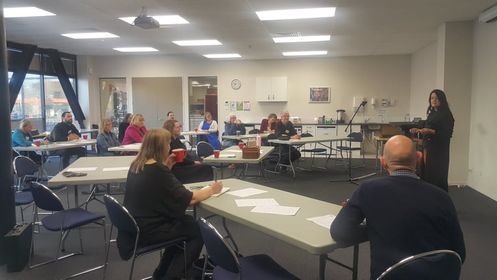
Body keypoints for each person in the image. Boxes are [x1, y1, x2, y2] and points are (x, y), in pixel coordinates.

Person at [330, 135, 465, 280]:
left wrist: (376, 224)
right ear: (419, 158)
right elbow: (459, 254)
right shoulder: (442, 197)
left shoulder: (368, 190)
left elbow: (339, 232)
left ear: (383, 162)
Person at [118, 128, 222, 280]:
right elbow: (191, 199)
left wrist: (167, 167)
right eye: (168, 143)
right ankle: (172, 276)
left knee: (186, 223)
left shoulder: (137, 165)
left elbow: (155, 187)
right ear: (161, 147)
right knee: (197, 230)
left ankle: (161, 274)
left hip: (133, 227)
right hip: (148, 230)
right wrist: (212, 189)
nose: (170, 147)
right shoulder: (157, 170)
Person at [409, 89, 455, 192]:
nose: (433, 100)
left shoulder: (446, 114)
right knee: (427, 172)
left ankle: (439, 197)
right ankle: (428, 195)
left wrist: (431, 131)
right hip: (428, 146)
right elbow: (427, 125)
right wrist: (419, 130)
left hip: (439, 150)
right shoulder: (432, 113)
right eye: (432, 98)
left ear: (442, 100)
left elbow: (447, 134)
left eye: (436, 98)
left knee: (437, 174)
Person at [163, 119, 214, 184]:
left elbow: (185, 154)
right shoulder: (170, 142)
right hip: (178, 168)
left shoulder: (177, 139)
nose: (179, 129)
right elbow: (180, 159)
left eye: (180, 127)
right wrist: (193, 162)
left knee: (202, 161)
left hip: (185, 163)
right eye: (177, 127)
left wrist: (197, 159)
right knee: (206, 168)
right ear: (171, 129)